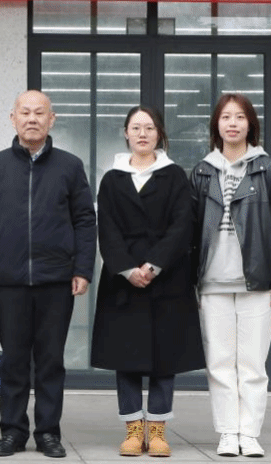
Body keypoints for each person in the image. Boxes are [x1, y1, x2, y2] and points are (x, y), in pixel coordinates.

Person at [0, 90, 96, 459]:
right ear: (13, 119)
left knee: (50, 362)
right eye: (24, 112)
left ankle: (48, 433)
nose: (32, 119)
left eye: (40, 113)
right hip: (8, 281)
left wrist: (82, 268)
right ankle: (12, 432)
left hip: (56, 280)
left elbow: (85, 221)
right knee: (13, 362)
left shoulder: (69, 166)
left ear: (51, 119)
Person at [89, 106, 202, 457]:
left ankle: (158, 431)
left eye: (149, 128)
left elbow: (182, 226)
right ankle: (133, 430)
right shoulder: (112, 179)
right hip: (123, 281)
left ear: (159, 134)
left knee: (165, 357)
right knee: (126, 357)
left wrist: (153, 266)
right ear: (126, 133)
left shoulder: (175, 176)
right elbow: (106, 229)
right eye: (136, 127)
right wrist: (128, 269)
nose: (142, 134)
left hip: (167, 279)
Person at [191, 93, 271, 458]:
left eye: (239, 117)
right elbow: (190, 231)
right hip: (212, 283)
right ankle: (227, 432)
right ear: (216, 125)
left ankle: (249, 434)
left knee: (252, 364)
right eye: (226, 117)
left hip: (258, 280)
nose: (232, 123)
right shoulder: (202, 171)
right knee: (220, 363)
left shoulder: (268, 170)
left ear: (250, 124)